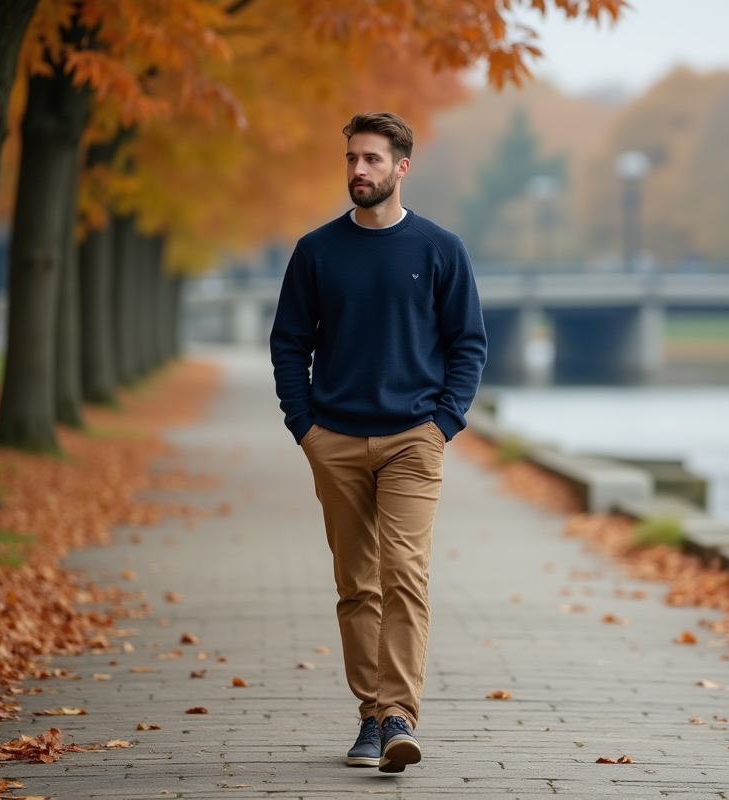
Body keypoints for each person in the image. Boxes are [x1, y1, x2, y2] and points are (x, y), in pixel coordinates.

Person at [269, 111, 487, 774]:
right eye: (352, 158)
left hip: (412, 441)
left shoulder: (440, 249)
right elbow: (289, 344)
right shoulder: (316, 251)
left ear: (401, 168)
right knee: (356, 584)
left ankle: (397, 717)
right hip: (334, 439)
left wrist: (443, 424)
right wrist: (304, 428)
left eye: (372, 159)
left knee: (405, 576)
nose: (359, 170)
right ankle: (370, 713)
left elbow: (468, 344)